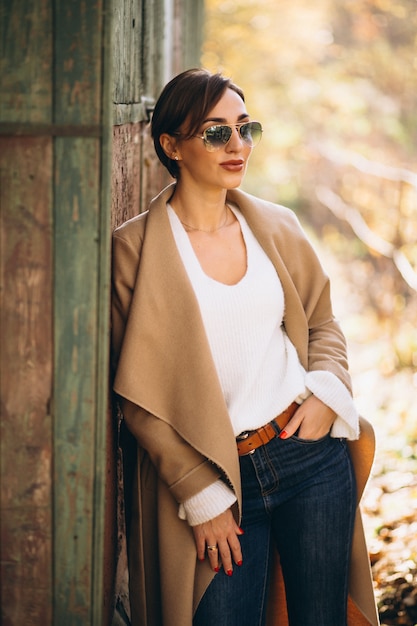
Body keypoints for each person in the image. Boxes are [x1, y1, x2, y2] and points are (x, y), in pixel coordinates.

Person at [111, 68, 379, 626]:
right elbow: (135, 393)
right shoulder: (133, 251)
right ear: (172, 146)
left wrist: (327, 392)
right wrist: (199, 492)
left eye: (245, 127)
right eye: (216, 133)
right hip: (218, 482)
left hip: (309, 457)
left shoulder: (276, 227)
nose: (238, 146)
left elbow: (323, 322)